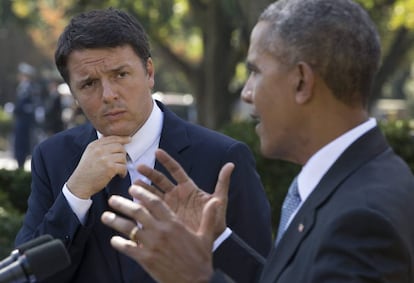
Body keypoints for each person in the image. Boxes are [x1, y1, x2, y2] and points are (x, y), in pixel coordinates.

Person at [101, 0, 414, 282]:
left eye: (255, 72)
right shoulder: (352, 182)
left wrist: (195, 278)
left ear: (301, 82)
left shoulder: (363, 219)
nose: (247, 93)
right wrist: (217, 238)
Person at [14, 8, 272, 283]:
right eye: (89, 84)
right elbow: (25, 276)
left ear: (149, 72)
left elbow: (262, 275)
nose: (109, 95)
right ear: (74, 95)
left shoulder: (223, 157)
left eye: (120, 75)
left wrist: (216, 238)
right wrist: (75, 195)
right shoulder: (53, 157)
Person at [12, 62, 37, 169]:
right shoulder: (23, 87)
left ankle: (21, 162)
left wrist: (17, 109)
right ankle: (20, 163)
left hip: (24, 121)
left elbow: (28, 105)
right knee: (20, 143)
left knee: (22, 143)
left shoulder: (28, 88)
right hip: (21, 119)